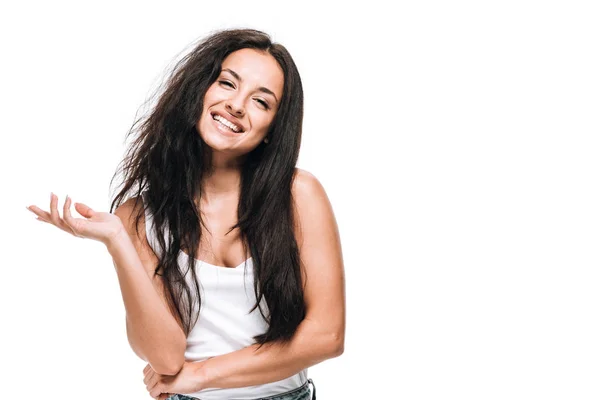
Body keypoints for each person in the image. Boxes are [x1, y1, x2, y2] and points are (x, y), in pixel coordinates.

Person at [25, 28, 345, 400]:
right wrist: (117, 242)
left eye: (261, 102)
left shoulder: (298, 194)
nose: (237, 105)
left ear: (273, 129)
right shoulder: (139, 216)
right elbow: (166, 357)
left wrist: (203, 374)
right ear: (200, 89)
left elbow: (326, 335)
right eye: (227, 83)